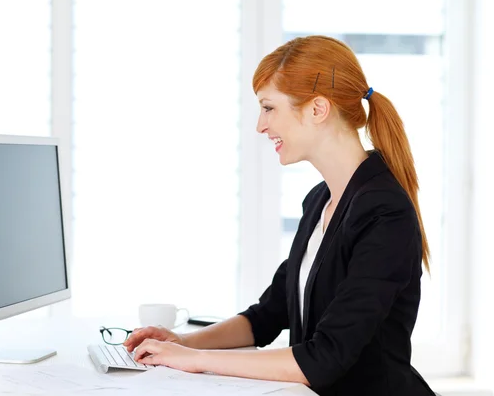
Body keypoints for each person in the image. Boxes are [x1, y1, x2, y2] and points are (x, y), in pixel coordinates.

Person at [123, 35, 436, 396]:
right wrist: (184, 342)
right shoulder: (320, 201)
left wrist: (192, 360)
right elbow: (267, 316)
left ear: (317, 109)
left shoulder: (384, 212)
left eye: (269, 108)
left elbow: (323, 357)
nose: (260, 125)